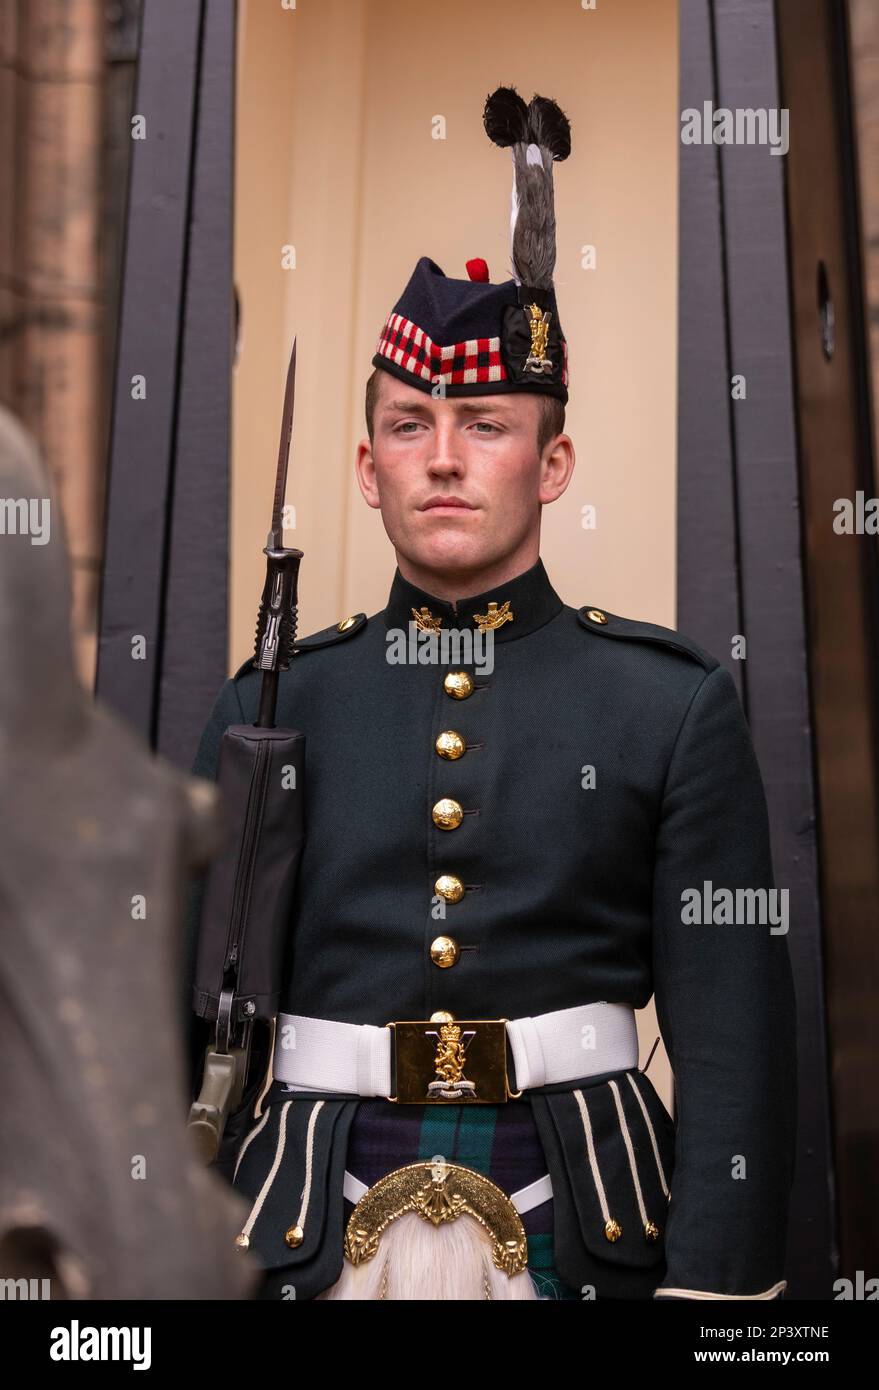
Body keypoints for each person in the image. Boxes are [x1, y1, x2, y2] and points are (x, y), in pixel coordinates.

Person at [186, 85, 797, 1301]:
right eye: (411, 425)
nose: (446, 456)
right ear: (367, 468)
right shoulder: (272, 705)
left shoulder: (668, 706)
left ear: (552, 458)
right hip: (304, 1222)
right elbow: (174, 1028)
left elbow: (733, 1053)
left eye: (485, 422)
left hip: (583, 1212)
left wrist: (716, 1296)